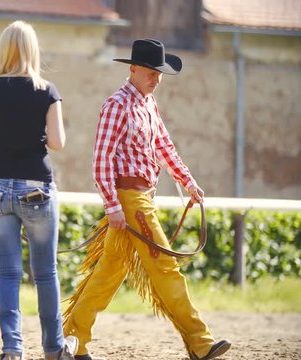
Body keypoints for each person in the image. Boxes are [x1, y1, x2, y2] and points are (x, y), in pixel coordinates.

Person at [62, 39, 231, 360]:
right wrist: (113, 206)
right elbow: (101, 160)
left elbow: (165, 147)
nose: (157, 78)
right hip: (131, 201)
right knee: (166, 268)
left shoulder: (148, 105)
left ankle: (73, 340)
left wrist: (189, 182)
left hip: (141, 199)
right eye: (152, 72)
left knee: (108, 273)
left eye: (161, 73)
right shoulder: (117, 105)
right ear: (133, 69)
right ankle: (200, 341)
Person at [0, 20, 77, 360]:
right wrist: (35, 133)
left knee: (9, 272)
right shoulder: (47, 90)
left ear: (4, 51)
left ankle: (12, 348)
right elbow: (58, 142)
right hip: (36, 188)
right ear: (33, 51)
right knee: (45, 273)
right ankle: (54, 348)